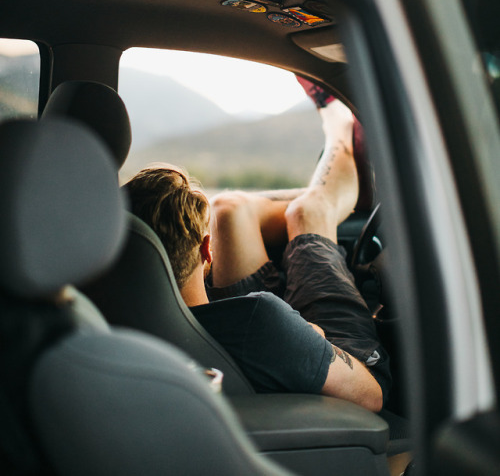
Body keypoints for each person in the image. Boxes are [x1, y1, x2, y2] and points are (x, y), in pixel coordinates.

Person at [125, 98, 390, 412]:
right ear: (207, 250)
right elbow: (372, 396)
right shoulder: (259, 321)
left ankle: (335, 190)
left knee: (228, 208)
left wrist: (298, 339)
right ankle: (339, 128)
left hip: (269, 347)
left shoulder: (109, 321)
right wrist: (307, 337)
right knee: (307, 213)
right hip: (358, 371)